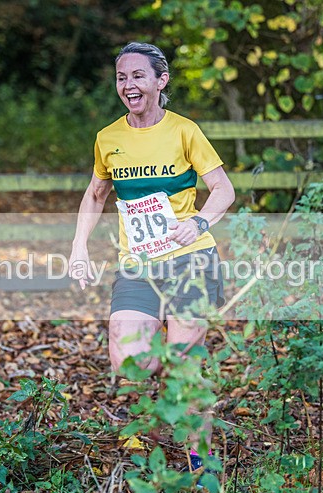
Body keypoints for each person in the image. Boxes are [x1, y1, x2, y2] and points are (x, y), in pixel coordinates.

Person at [68, 42, 235, 468]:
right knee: (128, 360)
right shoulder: (108, 138)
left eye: (138, 76)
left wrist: (198, 222)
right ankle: (163, 406)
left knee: (183, 368)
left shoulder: (184, 131)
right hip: (137, 265)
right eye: (121, 77)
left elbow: (223, 189)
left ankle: (200, 463)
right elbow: (96, 194)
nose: (129, 85)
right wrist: (78, 247)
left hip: (190, 259)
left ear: (161, 81)